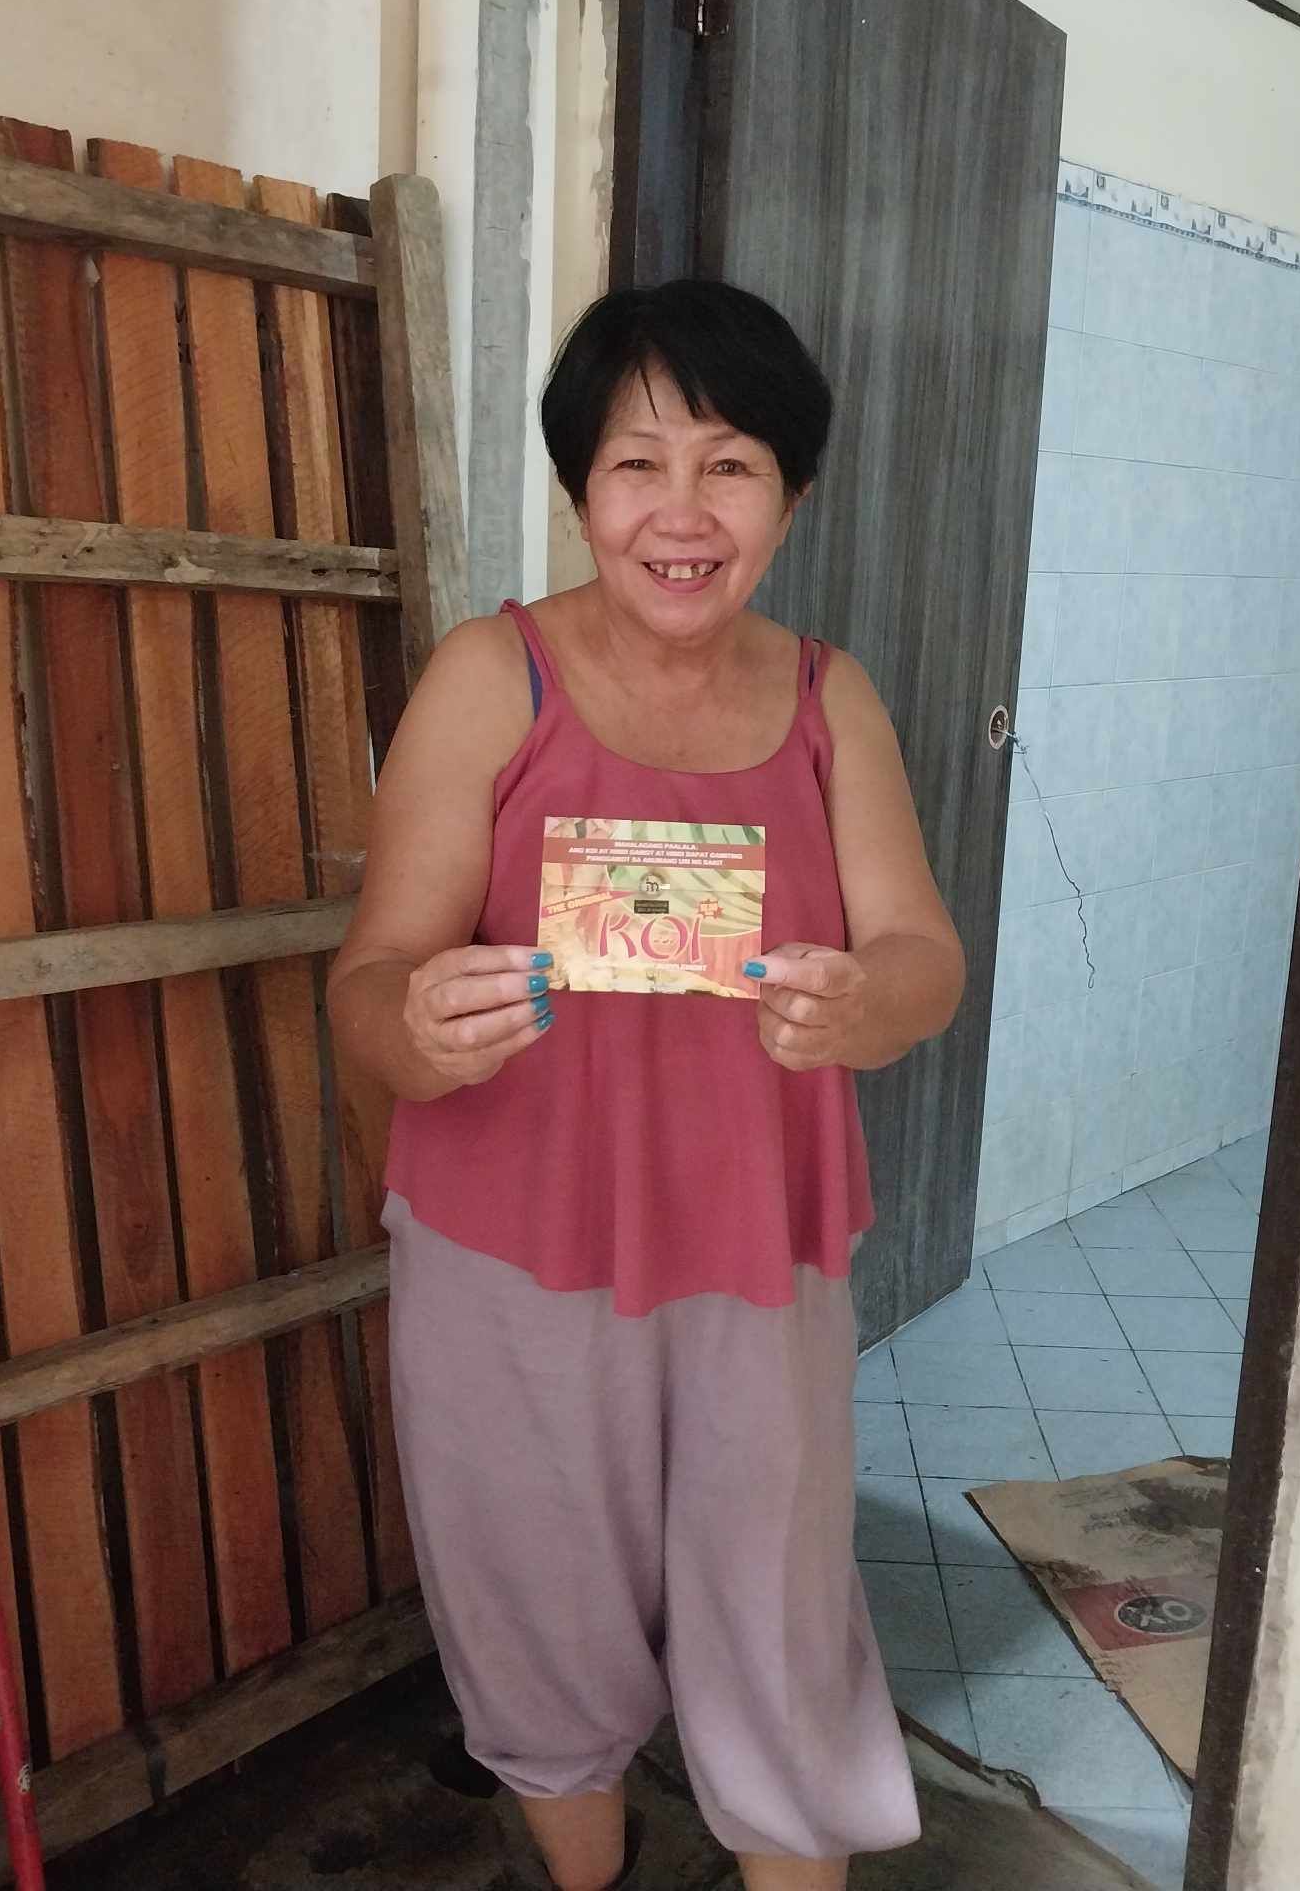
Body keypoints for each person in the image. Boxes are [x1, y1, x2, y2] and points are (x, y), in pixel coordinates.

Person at [329, 278, 966, 1891]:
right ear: (578, 491)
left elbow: (922, 957)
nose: (680, 512)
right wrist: (421, 1027)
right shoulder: (494, 678)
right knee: (536, 1598)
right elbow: (365, 983)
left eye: (730, 463)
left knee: (776, 1603)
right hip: (508, 1239)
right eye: (636, 465)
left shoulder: (832, 701)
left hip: (760, 1242)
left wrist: (861, 1007)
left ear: (792, 493)